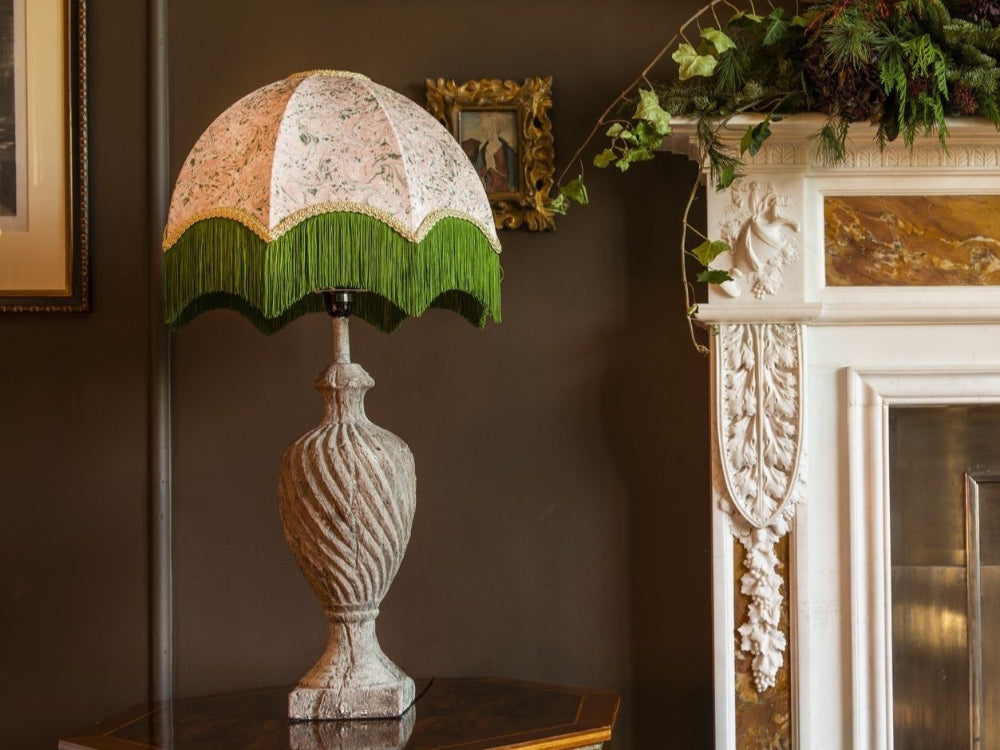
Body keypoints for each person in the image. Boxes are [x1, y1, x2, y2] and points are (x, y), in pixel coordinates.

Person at [469, 112, 517, 194]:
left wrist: (494, 167)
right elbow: (478, 170)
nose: (486, 133)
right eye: (484, 130)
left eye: (489, 129)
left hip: (504, 190)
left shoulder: (507, 151)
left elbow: (512, 174)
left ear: (495, 128)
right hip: (488, 188)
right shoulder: (483, 150)